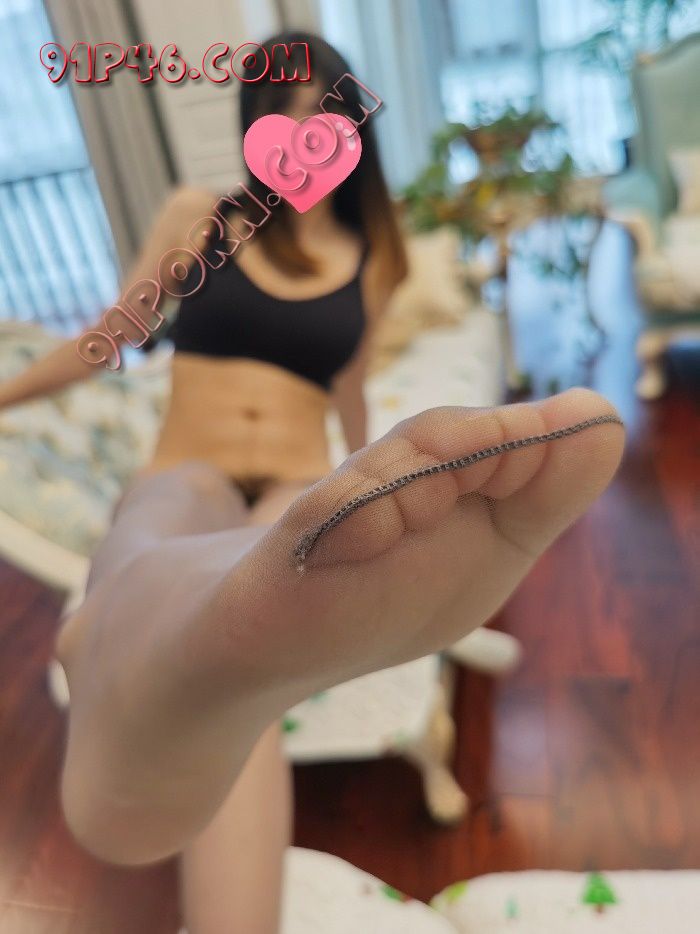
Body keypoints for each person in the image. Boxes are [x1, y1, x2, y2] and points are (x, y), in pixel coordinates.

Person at [0, 33, 625, 934]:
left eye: (322, 115)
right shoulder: (200, 217)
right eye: (282, 114)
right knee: (175, 510)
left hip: (294, 469)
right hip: (191, 455)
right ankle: (129, 612)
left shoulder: (374, 256)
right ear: (254, 125)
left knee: (253, 597)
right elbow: (109, 337)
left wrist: (386, 486)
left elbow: (352, 390)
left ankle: (150, 626)